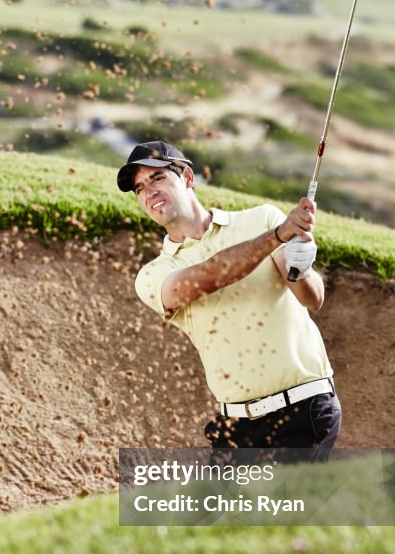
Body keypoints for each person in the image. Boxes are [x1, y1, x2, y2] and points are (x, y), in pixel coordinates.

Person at [117, 141, 341, 458]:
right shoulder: (154, 274)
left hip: (302, 408)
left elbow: (313, 299)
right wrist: (277, 238)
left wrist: (300, 268)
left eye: (157, 178)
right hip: (236, 424)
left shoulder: (262, 219)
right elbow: (210, 275)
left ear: (188, 178)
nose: (148, 192)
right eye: (139, 188)